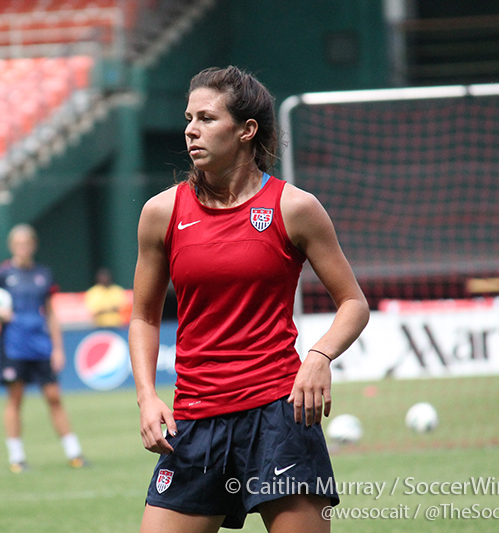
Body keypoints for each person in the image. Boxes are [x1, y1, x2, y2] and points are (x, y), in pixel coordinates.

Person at [129, 66, 369, 532]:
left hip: (279, 415)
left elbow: (353, 303)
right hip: (194, 421)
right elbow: (143, 316)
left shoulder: (294, 207)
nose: (191, 130)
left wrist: (319, 356)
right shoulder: (161, 212)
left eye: (206, 118)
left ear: (246, 131)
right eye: (188, 118)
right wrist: (145, 396)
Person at [0, 223, 86, 472]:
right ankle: (16, 458)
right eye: (18, 243)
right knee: (15, 399)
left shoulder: (43, 274)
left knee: (54, 397)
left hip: (41, 345)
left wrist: (58, 348)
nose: (23, 247)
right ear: (11, 247)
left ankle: (74, 453)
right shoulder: (2, 274)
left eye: (26, 243)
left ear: (33, 245)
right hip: (14, 346)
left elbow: (51, 314)